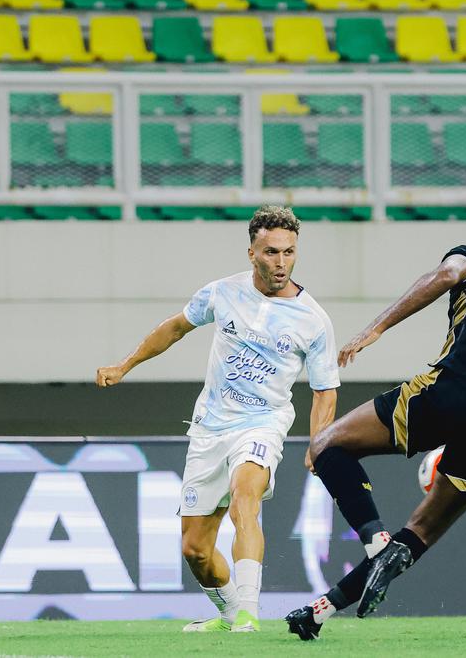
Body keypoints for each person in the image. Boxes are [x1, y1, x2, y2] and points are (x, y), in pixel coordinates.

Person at [285, 194, 466, 640]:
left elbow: (448, 274)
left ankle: (375, 541)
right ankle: (319, 612)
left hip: (458, 387)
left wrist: (374, 328)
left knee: (326, 446)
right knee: (419, 531)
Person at [96, 206, 339, 633]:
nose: (280, 263)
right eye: (270, 252)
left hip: (263, 422)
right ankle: (229, 614)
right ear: (251, 253)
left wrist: (319, 443)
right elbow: (174, 328)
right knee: (195, 549)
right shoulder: (222, 293)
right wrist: (125, 364)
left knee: (245, 494)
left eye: (288, 252)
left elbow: (325, 390)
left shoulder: (313, 319)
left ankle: (248, 611)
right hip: (210, 426)